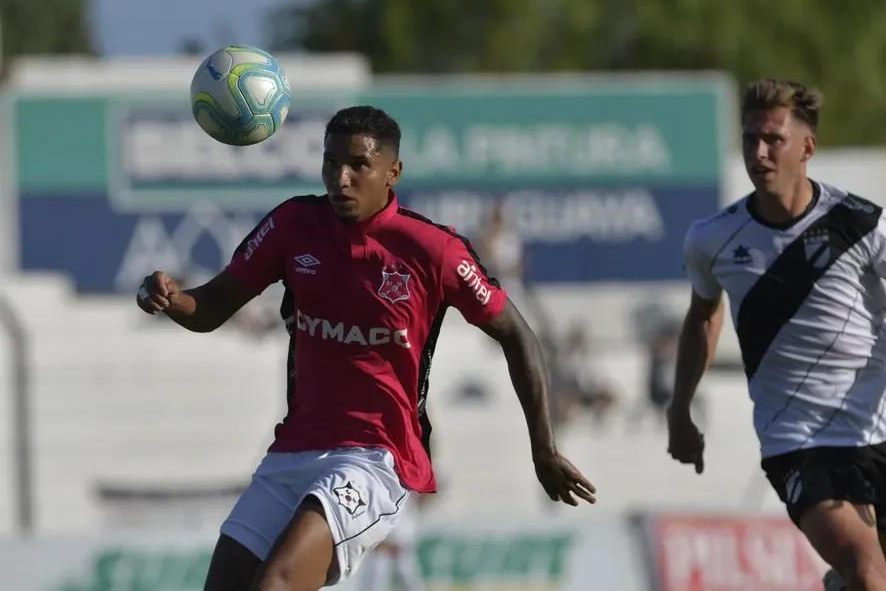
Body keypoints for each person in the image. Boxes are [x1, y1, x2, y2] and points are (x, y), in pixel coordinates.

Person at [135, 106, 596, 591]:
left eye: (358, 165)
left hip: (377, 458)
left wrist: (543, 448)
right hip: (294, 449)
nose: (342, 178)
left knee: (276, 584)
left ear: (393, 173)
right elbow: (212, 306)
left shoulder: (432, 250)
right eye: (331, 163)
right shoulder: (294, 225)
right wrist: (172, 299)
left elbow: (517, 334)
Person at [667, 79, 886, 591]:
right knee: (869, 575)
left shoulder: (861, 223)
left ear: (807, 148)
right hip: (799, 440)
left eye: (773, 139)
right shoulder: (712, 238)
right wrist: (680, 408)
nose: (759, 152)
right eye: (750, 138)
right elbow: (703, 318)